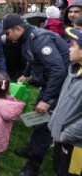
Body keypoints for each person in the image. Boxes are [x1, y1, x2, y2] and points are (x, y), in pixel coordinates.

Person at [0, 13, 70, 176]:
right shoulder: (27, 39)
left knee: (45, 125)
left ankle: (32, 167)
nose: (7, 38)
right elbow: (32, 59)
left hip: (61, 86)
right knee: (39, 118)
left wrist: (47, 100)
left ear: (18, 28)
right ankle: (32, 149)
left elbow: (59, 71)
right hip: (48, 84)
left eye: (7, 33)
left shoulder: (41, 40)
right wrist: (26, 74)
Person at [48, 27, 82, 176]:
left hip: (75, 145)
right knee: (58, 168)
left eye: (73, 45)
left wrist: (66, 135)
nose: (69, 48)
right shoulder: (74, 71)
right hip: (61, 138)